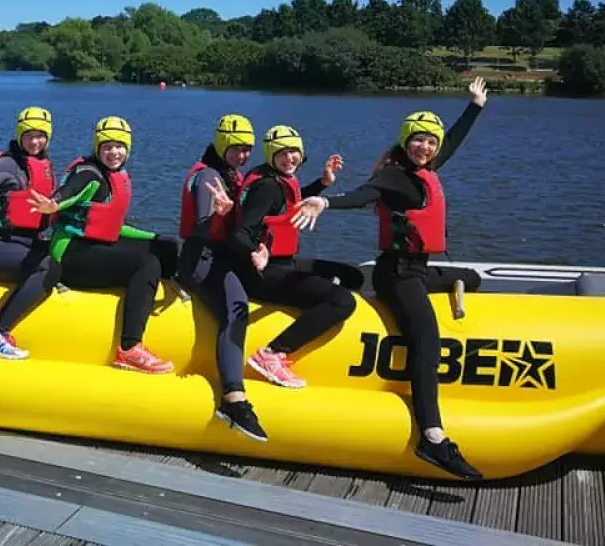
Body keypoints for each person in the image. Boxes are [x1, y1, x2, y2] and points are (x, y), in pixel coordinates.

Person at [299, 76, 489, 480]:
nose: (426, 147)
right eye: (418, 140)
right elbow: (363, 195)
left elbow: (452, 141)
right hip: (397, 275)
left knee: (470, 277)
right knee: (427, 341)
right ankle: (433, 438)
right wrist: (325, 201)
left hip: (419, 269)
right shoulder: (394, 176)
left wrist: (474, 106)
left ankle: (433, 434)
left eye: (430, 142)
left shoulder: (427, 167)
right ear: (406, 142)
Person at [27, 116, 179, 374]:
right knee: (146, 263)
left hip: (97, 244)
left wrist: (154, 238)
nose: (114, 152)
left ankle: (169, 301)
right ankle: (130, 347)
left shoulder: (115, 175)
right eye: (107, 146)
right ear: (97, 148)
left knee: (166, 246)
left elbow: (111, 226)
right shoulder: (89, 173)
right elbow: (70, 191)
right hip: (71, 254)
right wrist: (54, 203)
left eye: (119, 146)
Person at [229, 124, 358, 392]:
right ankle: (273, 353)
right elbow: (241, 232)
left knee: (350, 275)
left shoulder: (273, 178)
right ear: (271, 155)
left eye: (294, 153)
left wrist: (323, 183)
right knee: (342, 300)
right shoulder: (267, 186)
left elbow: (288, 205)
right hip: (263, 273)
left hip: (280, 261)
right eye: (283, 153)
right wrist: (255, 252)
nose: (290, 158)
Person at [176, 114, 269, 440]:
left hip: (221, 255)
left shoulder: (230, 175)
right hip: (199, 260)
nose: (242, 156)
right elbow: (202, 227)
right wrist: (218, 215)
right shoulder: (209, 179)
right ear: (220, 145)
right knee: (236, 307)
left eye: (246, 149)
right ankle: (233, 399)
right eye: (235, 148)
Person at [0, 106, 57, 360]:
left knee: (65, 257)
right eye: (28, 135)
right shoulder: (6, 164)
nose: (35, 141)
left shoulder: (44, 165)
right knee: (48, 268)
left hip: (30, 243)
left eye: (40, 135)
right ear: (19, 136)